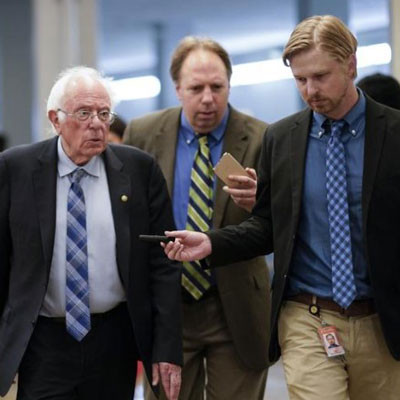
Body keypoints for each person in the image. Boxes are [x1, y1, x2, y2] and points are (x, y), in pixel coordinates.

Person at [163, 15, 400, 400]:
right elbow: (267, 226)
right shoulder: (283, 138)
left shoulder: (393, 133)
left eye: (320, 76)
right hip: (307, 317)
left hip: (382, 321)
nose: (310, 90)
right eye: (300, 79)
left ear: (351, 65)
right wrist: (211, 243)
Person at [0, 66, 182, 400]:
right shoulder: (15, 169)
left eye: (103, 113)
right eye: (84, 113)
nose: (96, 124)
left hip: (114, 339)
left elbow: (164, 265)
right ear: (55, 119)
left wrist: (167, 347)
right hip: (43, 341)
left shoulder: (140, 171)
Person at [124, 36, 270, 400]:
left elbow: (278, 223)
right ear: (177, 89)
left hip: (235, 305)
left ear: (229, 85)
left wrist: (259, 201)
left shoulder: (263, 137)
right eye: (196, 88)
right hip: (169, 307)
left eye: (217, 87)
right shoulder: (142, 134)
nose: (208, 98)